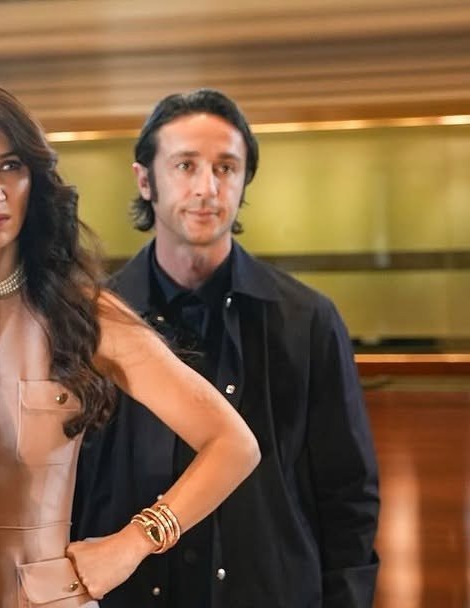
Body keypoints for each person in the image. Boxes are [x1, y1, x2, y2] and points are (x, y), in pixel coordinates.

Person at [0, 79, 259, 608]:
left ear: (34, 177)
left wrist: (133, 543)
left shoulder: (84, 313)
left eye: (10, 166)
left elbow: (234, 444)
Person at [72, 89, 381, 607]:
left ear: (244, 181)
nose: (207, 188)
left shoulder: (308, 319)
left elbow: (348, 493)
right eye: (185, 165)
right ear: (145, 180)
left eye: (226, 168)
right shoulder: (90, 321)